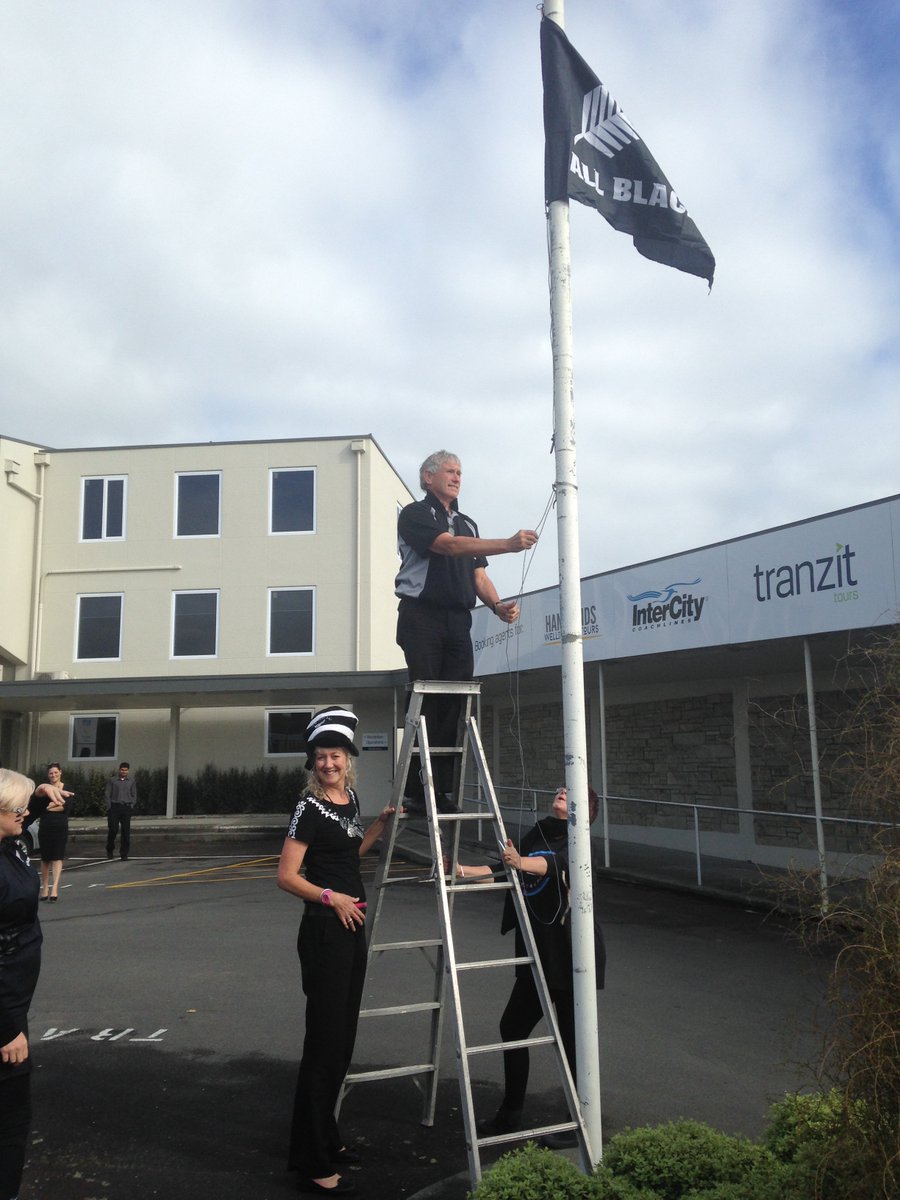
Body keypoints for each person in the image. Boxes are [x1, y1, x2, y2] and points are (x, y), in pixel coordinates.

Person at [276, 707, 395, 1196]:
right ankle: (310, 1160)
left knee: (342, 1040)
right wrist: (332, 897)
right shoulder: (307, 808)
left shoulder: (350, 801)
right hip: (325, 929)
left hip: (351, 927)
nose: (329, 763)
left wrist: (379, 826)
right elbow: (287, 876)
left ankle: (327, 1137)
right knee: (324, 1044)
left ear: (349, 760)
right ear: (313, 762)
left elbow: (348, 854)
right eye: (322, 756)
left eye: (336, 755)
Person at [456, 784, 606, 1146]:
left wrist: (521, 862)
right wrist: (460, 869)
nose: (561, 791)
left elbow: (556, 865)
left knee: (573, 1041)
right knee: (512, 1027)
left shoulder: (580, 839)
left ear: (587, 812)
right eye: (560, 788)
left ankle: (579, 1124)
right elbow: (504, 868)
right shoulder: (538, 832)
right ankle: (510, 1114)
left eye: (571, 791)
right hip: (535, 951)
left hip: (570, 955)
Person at [395, 450, 538, 812]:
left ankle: (442, 789)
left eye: (460, 472)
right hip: (421, 616)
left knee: (455, 701)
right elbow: (447, 546)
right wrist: (508, 545)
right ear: (428, 477)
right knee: (426, 698)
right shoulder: (414, 514)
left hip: (458, 620)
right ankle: (416, 789)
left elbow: (478, 576)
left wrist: (497, 605)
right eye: (450, 471)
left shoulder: (468, 523)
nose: (457, 477)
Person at [0, 768, 68, 1200]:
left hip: (12, 1002)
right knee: (10, 1117)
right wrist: (7, 1028)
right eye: (18, 808)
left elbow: (23, 817)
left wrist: (38, 796)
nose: (25, 814)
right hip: (3, 1013)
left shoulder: (10, 842)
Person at [28, 763, 71, 902]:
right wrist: (53, 805)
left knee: (57, 857)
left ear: (60, 772)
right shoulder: (45, 790)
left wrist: (54, 806)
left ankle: (55, 888)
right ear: (48, 775)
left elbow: (65, 807)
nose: (53, 775)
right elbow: (42, 807)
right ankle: (45, 887)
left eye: (56, 772)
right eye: (51, 773)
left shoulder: (67, 788)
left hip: (60, 826)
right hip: (45, 826)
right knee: (45, 858)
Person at [104, 761, 137, 860]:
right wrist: (109, 806)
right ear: (119, 770)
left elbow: (134, 794)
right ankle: (110, 849)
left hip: (126, 807)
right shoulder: (112, 780)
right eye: (122, 770)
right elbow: (107, 794)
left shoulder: (131, 781)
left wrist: (131, 805)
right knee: (113, 829)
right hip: (114, 807)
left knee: (125, 831)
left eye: (126, 770)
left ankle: (124, 853)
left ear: (128, 771)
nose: (124, 772)